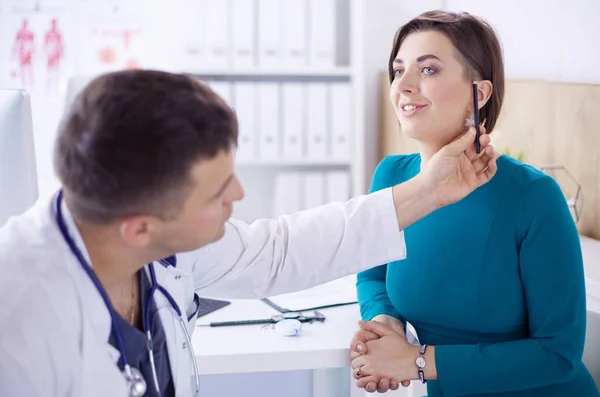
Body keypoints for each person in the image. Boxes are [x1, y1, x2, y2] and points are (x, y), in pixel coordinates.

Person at [0, 69, 496, 397]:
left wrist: (429, 190)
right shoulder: (19, 323)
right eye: (217, 191)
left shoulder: (145, 235)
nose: (238, 194)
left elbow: (275, 251)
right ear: (139, 228)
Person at [349, 10, 599, 397]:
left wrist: (415, 360)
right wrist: (385, 325)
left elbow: (558, 353)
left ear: (478, 94)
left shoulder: (533, 197)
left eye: (427, 70)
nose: (404, 85)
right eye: (398, 71)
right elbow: (372, 275)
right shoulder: (391, 176)